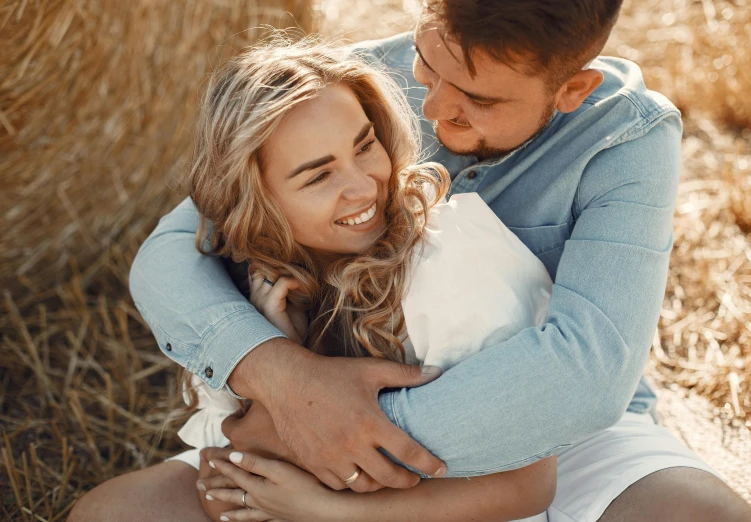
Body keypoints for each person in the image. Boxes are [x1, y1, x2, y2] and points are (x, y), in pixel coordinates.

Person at [69, 0, 751, 521]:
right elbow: (170, 255)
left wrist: (322, 447)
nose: (432, 111)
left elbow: (581, 377)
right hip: (314, 402)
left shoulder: (626, 137)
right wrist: (283, 374)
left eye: (479, 99)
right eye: (429, 69)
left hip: (549, 432)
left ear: (570, 90)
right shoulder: (346, 90)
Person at [168, 37, 556, 521]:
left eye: (365, 145)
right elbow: (226, 483)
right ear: (256, 200)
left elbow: (529, 484)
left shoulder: (452, 268)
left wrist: (325, 510)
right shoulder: (264, 283)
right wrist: (282, 357)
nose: (363, 186)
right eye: (318, 177)